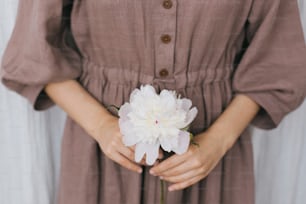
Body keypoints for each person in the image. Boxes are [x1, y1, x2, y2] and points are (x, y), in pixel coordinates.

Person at [1, 0, 306, 204]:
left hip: (213, 158)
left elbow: (276, 63)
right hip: (101, 155)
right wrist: (103, 127)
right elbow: (33, 53)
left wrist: (216, 142)